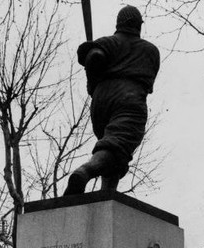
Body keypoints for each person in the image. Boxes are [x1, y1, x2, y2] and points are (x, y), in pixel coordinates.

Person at [64, 5, 160, 196]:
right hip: (129, 98)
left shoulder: (107, 43)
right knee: (118, 145)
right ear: (138, 25)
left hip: (100, 101)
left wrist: (92, 83)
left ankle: (107, 194)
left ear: (119, 23)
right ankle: (85, 172)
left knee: (112, 147)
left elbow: (94, 55)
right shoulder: (150, 51)